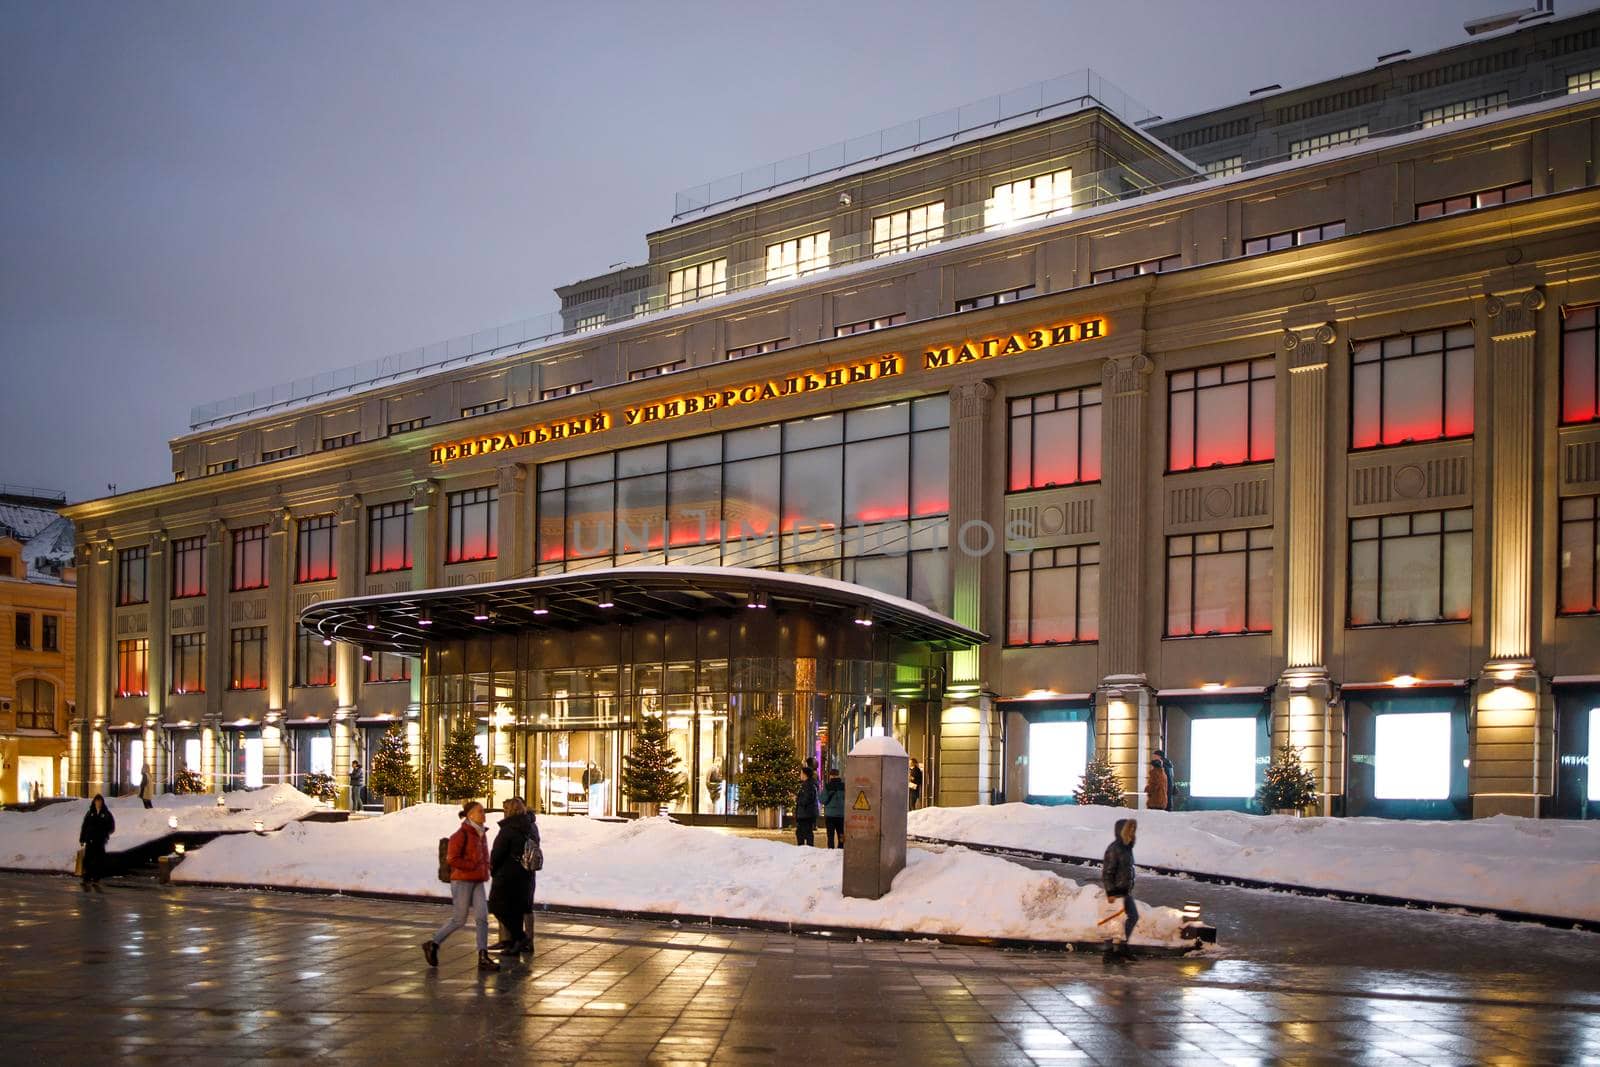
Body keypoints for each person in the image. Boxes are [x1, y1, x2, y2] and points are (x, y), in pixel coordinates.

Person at [422, 801, 499, 972]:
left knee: (482, 917)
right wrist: (473, 865)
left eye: (483, 812)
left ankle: (482, 955)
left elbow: (482, 856)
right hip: (462, 880)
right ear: (470, 815)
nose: (483, 815)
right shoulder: (460, 835)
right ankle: (433, 943)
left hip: (478, 879)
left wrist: (486, 867)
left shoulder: (481, 833)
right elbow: (452, 859)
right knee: (459, 919)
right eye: (480, 812)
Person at [488, 797, 537, 956]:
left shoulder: (508, 828)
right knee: (517, 908)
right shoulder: (529, 826)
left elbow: (498, 852)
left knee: (497, 906)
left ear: (510, 810)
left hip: (507, 874)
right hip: (525, 873)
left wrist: (493, 869)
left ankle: (520, 938)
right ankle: (515, 942)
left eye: (505, 809)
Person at [1101, 818, 1139, 958]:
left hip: (1125, 890)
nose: (1132, 832)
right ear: (1122, 831)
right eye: (1130, 829)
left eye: (1133, 829)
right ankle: (1109, 952)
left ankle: (1121, 947)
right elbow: (1107, 872)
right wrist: (1110, 892)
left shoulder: (1127, 847)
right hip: (1116, 891)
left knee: (1132, 917)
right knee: (1112, 919)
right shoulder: (1115, 848)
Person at [79, 794, 115, 891]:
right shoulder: (90, 813)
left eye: (100, 801)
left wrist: (105, 833)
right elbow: (85, 826)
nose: (98, 803)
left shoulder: (106, 813)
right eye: (97, 801)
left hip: (100, 841)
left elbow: (112, 827)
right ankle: (87, 878)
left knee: (99, 860)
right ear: (94, 802)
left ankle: (96, 879)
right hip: (90, 840)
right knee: (88, 860)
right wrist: (82, 839)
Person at [793, 762, 820, 847]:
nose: (800, 775)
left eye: (801, 773)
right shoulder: (808, 784)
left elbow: (807, 800)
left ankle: (806, 851)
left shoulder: (808, 785)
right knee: (803, 833)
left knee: (804, 834)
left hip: (806, 814)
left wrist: (796, 799)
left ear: (805, 775)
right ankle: (805, 850)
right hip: (806, 813)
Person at [822, 769, 846, 849]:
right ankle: (841, 848)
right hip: (841, 815)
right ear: (838, 775)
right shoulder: (844, 786)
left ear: (830, 776)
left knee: (830, 835)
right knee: (841, 834)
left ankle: (831, 849)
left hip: (830, 815)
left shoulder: (827, 786)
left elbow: (823, 800)